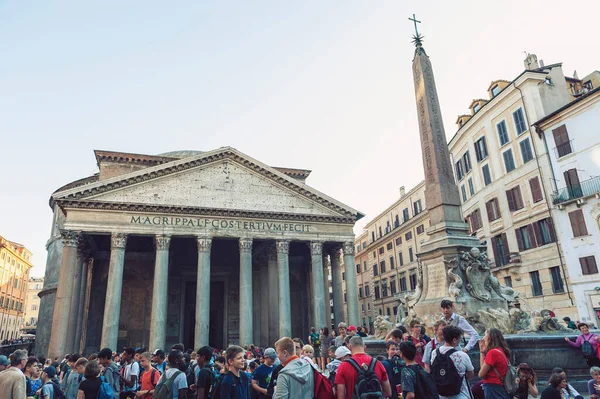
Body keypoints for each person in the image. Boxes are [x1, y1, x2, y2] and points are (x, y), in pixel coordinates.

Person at [430, 325, 474, 399]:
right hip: (461, 395)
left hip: (441, 395)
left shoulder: (434, 353)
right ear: (454, 340)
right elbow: (471, 375)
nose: (460, 341)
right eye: (459, 339)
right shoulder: (462, 355)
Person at [478, 328, 510, 399]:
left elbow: (481, 374)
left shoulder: (492, 353)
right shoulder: (501, 350)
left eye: (485, 334)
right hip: (500, 387)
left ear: (490, 338)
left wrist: (482, 353)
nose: (483, 338)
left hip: (493, 387)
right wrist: (483, 352)